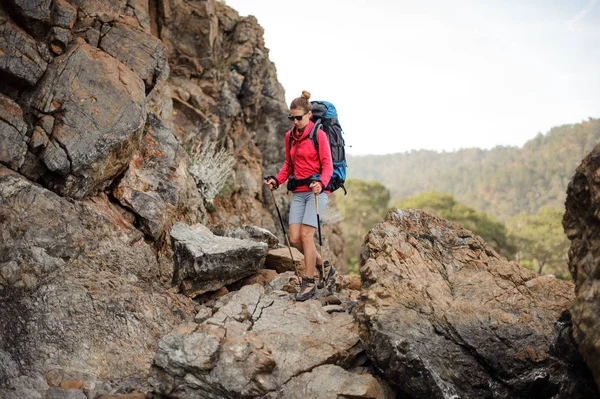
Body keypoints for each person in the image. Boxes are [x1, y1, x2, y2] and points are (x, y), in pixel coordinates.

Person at [265, 91, 336, 301]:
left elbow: (328, 165)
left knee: (306, 236)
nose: (295, 122)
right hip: (298, 193)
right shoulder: (290, 137)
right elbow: (288, 165)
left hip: (316, 193)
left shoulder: (319, 135)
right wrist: (276, 181)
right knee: (295, 239)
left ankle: (308, 282)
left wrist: (321, 184)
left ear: (309, 115)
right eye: (292, 118)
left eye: (299, 117)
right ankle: (324, 266)